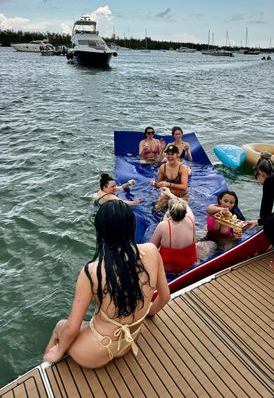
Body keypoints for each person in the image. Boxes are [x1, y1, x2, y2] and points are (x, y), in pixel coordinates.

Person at [44, 200, 170, 367]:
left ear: (101, 232)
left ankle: (48, 361)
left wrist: (58, 352)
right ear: (131, 226)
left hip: (98, 350)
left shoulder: (92, 272)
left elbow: (72, 329)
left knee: (61, 325)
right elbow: (165, 296)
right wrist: (149, 313)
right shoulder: (152, 251)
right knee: (88, 324)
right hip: (130, 339)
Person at [150, 188, 197, 273]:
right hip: (189, 262)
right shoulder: (191, 218)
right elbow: (185, 205)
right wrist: (170, 194)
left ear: (170, 213)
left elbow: (152, 246)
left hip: (169, 267)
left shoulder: (164, 225)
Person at [151, 144, 189, 209]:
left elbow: (184, 187)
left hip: (182, 195)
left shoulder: (183, 168)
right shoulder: (163, 167)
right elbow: (159, 185)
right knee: (157, 208)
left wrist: (168, 184)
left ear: (177, 155)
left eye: (172, 154)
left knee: (178, 211)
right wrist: (154, 184)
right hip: (167, 194)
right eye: (168, 154)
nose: (169, 156)